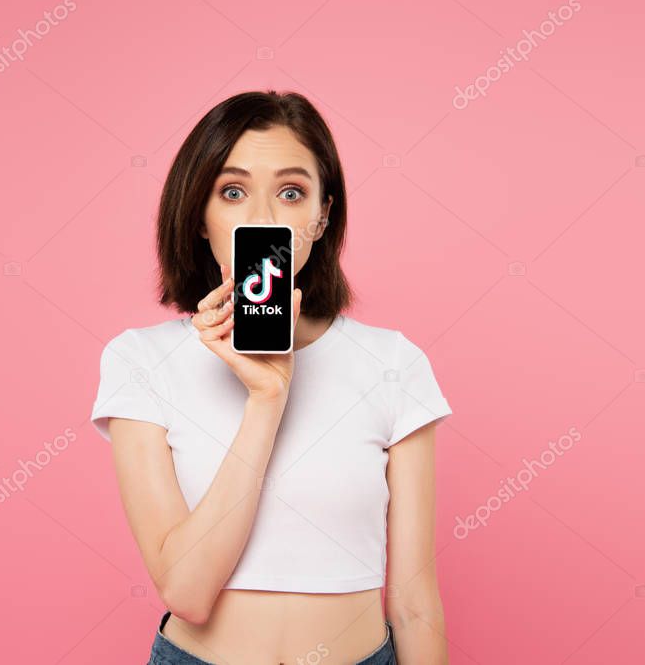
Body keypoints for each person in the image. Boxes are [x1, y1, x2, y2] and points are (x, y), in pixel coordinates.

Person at [90, 90, 453, 664]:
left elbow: (414, 603)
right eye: (232, 192)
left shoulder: (393, 364)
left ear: (322, 215)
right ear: (200, 219)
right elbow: (187, 593)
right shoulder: (140, 361)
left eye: (291, 192)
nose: (262, 219)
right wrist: (267, 397)